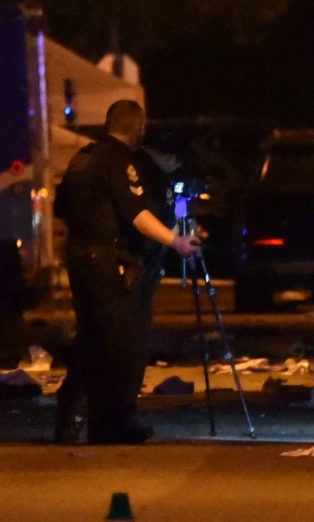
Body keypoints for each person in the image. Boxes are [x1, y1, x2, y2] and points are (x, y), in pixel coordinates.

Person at [53, 100, 200, 444]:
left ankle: (71, 415)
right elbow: (136, 213)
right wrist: (175, 241)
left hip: (79, 256)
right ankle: (111, 423)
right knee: (119, 342)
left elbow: (62, 208)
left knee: (92, 337)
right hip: (106, 260)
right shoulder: (119, 160)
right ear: (137, 126)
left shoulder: (82, 157)